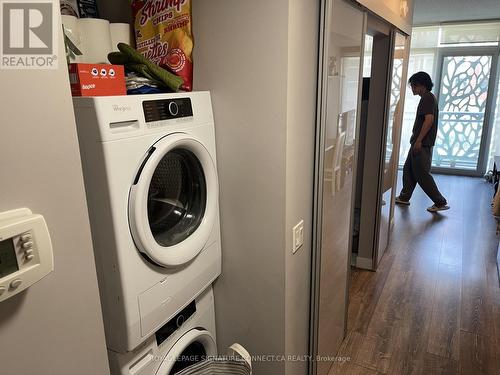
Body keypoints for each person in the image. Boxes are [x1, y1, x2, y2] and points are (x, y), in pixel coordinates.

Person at [395, 71, 449, 213]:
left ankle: (440, 202)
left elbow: (429, 119)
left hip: (422, 143)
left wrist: (419, 141)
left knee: (422, 174)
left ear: (422, 85)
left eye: (414, 86)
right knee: (408, 170)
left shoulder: (427, 98)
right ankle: (404, 196)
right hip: (419, 142)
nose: (412, 89)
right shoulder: (428, 98)